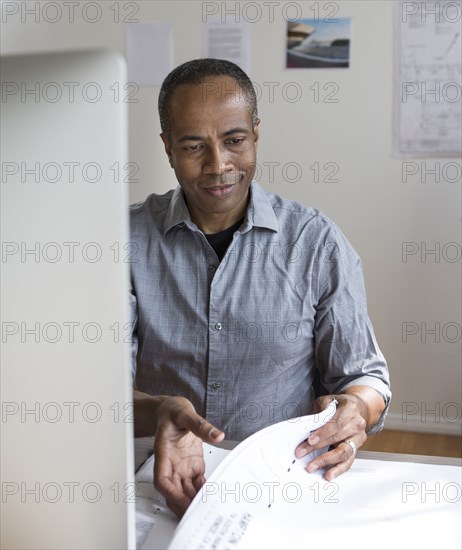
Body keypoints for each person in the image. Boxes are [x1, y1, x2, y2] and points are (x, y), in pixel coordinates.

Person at [130, 58, 391, 518]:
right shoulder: (122, 241)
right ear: (168, 147)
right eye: (194, 146)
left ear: (255, 134)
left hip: (285, 487)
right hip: (156, 483)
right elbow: (92, 393)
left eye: (233, 141)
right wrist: (159, 411)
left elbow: (366, 378)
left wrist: (357, 409)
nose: (218, 165)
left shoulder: (316, 242)